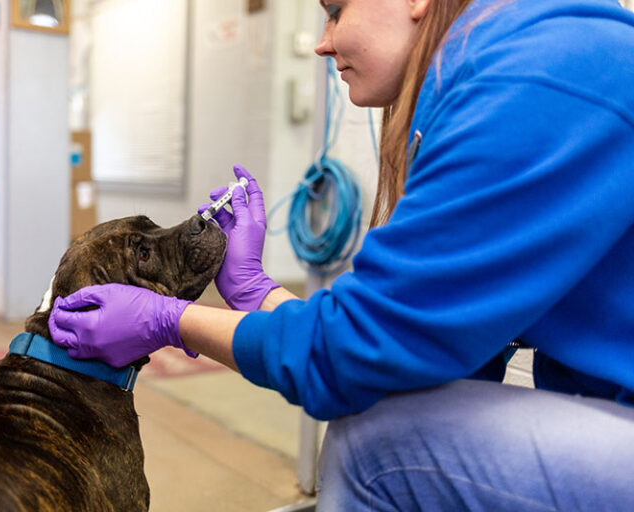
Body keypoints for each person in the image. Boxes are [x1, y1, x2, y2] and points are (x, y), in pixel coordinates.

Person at [49, 0, 634, 509]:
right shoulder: (511, 65)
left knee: (374, 444)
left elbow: (354, 356)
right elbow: (402, 352)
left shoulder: (524, 86)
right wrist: (255, 291)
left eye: (336, 9)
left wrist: (171, 322)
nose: (321, 42)